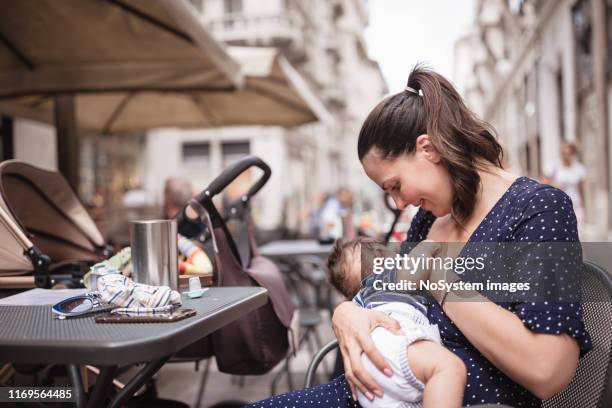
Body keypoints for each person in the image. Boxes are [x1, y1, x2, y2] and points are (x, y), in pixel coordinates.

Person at [247, 65, 591, 407]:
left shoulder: (538, 209)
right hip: (381, 393)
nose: (399, 202)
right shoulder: (428, 220)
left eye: (395, 185)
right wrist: (347, 313)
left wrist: (437, 277)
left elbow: (549, 371)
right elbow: (389, 294)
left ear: (429, 149)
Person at [326, 238, 466, 408]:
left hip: (374, 368)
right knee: (448, 368)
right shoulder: (384, 276)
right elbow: (415, 268)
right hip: (388, 344)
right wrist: (429, 246)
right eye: (359, 255)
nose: (371, 251)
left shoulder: (363, 299)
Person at [543, 142, 586, 224]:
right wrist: (554, 185)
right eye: (563, 153)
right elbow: (543, 183)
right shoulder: (553, 166)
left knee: (577, 231)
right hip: (557, 206)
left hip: (575, 206)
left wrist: (582, 207)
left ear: (573, 154)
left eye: (568, 154)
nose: (565, 156)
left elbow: (581, 190)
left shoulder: (579, 169)